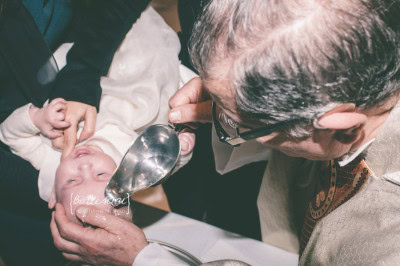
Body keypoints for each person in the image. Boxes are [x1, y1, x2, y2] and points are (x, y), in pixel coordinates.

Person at [52, 0, 400, 264]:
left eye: (241, 123)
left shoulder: (383, 243)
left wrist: (145, 260)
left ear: (337, 125)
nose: (222, 118)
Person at [0, 5, 195, 223]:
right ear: (123, 184)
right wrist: (182, 148)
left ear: (54, 195)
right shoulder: (132, 165)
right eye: (101, 175)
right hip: (137, 90)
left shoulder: (49, 162)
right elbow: (161, 163)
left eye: (72, 180)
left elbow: (10, 135)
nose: (84, 166)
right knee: (163, 80)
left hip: (81, 78)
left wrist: (36, 119)